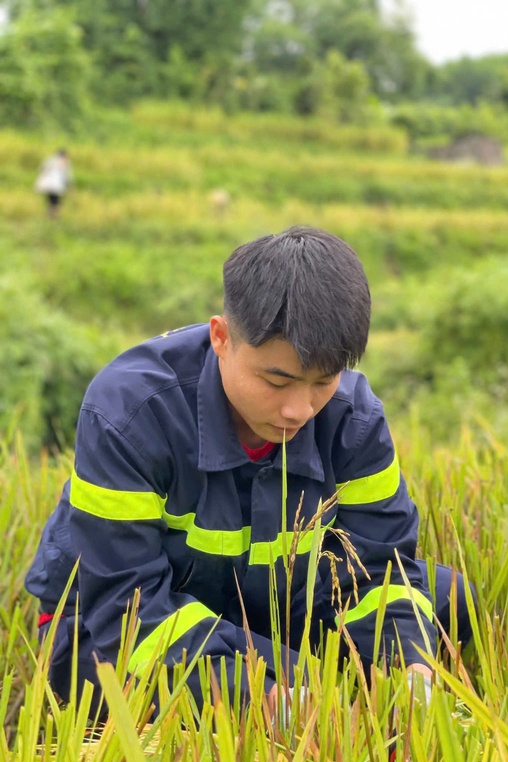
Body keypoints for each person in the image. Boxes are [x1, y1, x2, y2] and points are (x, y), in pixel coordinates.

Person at [25, 226, 474, 718]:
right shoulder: (131, 412)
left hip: (273, 600)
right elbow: (127, 608)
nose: (298, 410)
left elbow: (380, 569)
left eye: (323, 381)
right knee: (105, 683)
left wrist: (410, 668)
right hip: (124, 620)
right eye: (276, 380)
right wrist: (270, 696)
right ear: (221, 337)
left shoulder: (353, 417)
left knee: (449, 603)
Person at [34, 149, 73, 218]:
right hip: (56, 187)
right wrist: (71, 189)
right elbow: (67, 178)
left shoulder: (50, 160)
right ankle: (55, 218)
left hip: (47, 186)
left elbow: (41, 169)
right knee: (56, 203)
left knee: (51, 202)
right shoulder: (64, 163)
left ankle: (49, 217)